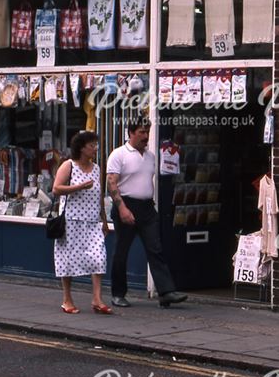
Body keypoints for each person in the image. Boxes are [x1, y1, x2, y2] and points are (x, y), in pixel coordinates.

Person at [106, 119, 187, 308]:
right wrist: (122, 208)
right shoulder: (119, 154)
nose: (146, 136)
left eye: (147, 132)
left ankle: (166, 292)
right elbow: (111, 183)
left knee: (155, 249)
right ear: (131, 133)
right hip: (126, 205)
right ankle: (118, 294)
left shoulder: (151, 156)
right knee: (121, 252)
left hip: (147, 208)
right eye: (142, 132)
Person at [52, 130, 111, 315]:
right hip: (71, 221)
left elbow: (99, 195)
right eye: (92, 145)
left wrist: (104, 220)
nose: (95, 148)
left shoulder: (96, 168)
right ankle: (67, 299)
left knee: (99, 258)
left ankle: (97, 299)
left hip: (92, 221)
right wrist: (79, 186)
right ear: (81, 148)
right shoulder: (68, 166)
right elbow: (56, 189)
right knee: (67, 261)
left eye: (95, 145)